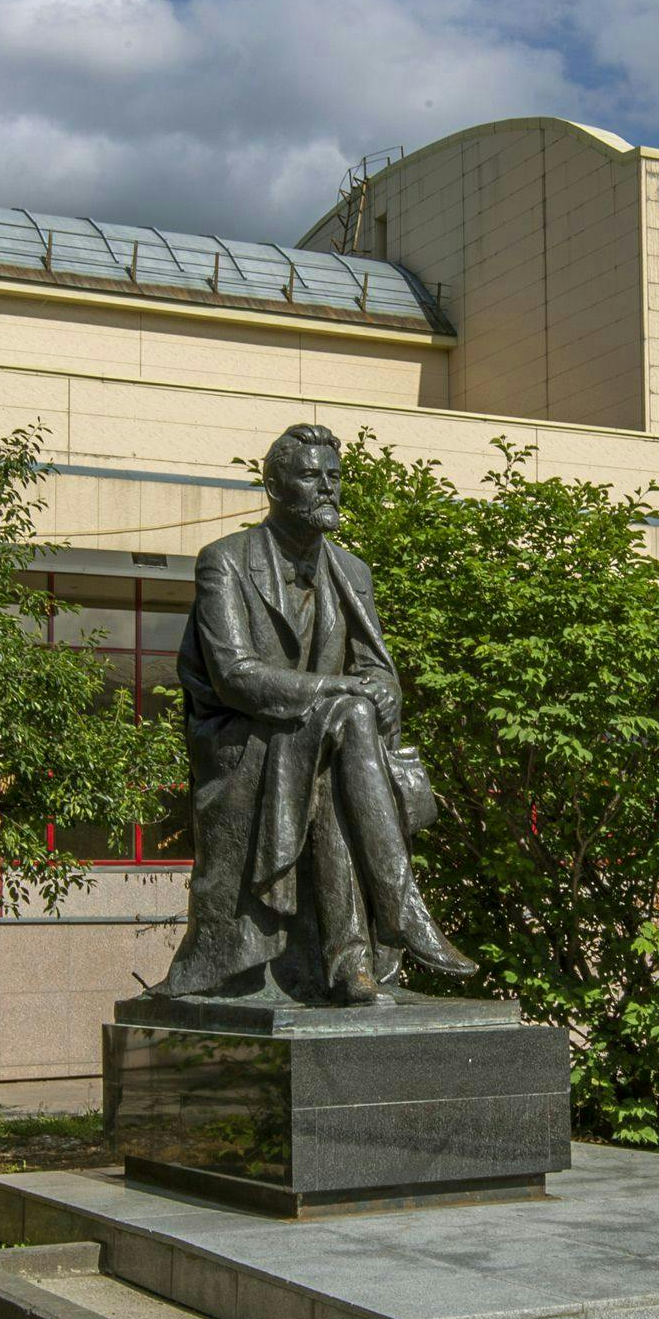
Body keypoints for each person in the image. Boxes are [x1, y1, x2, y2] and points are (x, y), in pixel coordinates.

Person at [149, 423, 476, 1006]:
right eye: (310, 476)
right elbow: (235, 675)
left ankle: (353, 960)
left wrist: (377, 691)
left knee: (347, 723)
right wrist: (344, 690)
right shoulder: (224, 562)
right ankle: (391, 921)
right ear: (274, 485)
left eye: (334, 477)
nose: (327, 489)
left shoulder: (352, 571)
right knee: (346, 717)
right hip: (241, 737)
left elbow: (380, 671)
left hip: (324, 736)